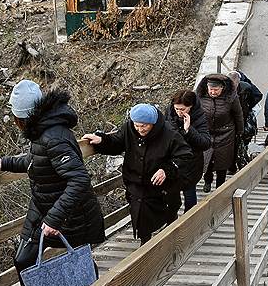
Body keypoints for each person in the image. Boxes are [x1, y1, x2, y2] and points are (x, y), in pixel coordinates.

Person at [0, 80, 105, 286]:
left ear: (23, 116)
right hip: (43, 207)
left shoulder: (53, 135)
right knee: (25, 260)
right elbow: (37, 160)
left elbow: (79, 180)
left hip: (67, 213)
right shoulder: (44, 130)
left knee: (78, 261)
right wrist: (4, 163)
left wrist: (55, 218)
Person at [82, 104, 192, 244]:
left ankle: (169, 238)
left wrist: (167, 169)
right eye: (137, 125)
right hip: (136, 183)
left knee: (166, 215)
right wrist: (102, 140)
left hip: (162, 186)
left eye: (144, 126)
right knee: (140, 216)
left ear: (152, 123)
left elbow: (185, 155)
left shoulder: (169, 133)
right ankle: (145, 244)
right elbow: (117, 143)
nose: (140, 129)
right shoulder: (129, 128)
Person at [166, 90, 212, 212]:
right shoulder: (170, 113)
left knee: (189, 192)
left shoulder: (200, 116)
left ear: (190, 107)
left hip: (191, 162)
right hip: (172, 160)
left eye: (183, 109)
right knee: (171, 195)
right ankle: (172, 222)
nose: (179, 112)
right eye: (177, 109)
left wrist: (189, 130)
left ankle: (190, 221)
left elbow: (205, 143)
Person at [196, 74, 244, 191]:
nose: (213, 92)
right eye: (211, 89)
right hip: (206, 132)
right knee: (206, 158)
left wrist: (240, 130)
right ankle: (207, 180)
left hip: (225, 133)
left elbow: (238, 115)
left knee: (222, 161)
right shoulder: (200, 96)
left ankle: (220, 187)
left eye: (216, 90)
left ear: (222, 88)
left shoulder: (231, 97)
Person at [230, 70, 263, 171]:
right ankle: (237, 163)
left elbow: (257, 96)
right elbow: (258, 95)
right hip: (237, 119)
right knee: (238, 142)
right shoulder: (245, 86)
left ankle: (237, 163)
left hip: (241, 118)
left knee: (240, 141)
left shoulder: (246, 87)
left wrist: (248, 107)